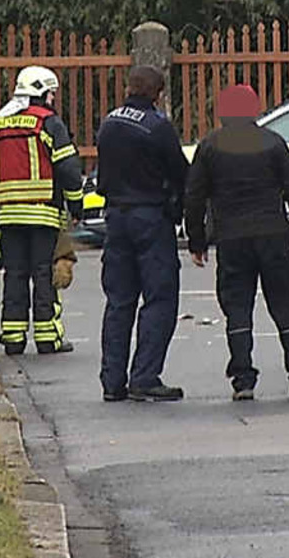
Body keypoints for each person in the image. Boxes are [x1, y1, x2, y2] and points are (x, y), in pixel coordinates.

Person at [184, 83, 289, 401]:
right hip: (273, 235)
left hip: (231, 239)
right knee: (285, 305)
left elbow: (194, 197)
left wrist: (197, 241)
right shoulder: (272, 143)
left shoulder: (209, 147)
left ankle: (242, 379)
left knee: (237, 308)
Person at [97, 65, 189, 402]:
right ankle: (145, 377)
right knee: (159, 298)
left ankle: (112, 381)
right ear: (157, 93)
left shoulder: (109, 123)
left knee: (119, 301)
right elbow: (179, 173)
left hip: (116, 218)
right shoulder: (157, 127)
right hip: (150, 218)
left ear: (128, 88)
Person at [0, 65, 84, 355]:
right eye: (51, 93)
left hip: (7, 216)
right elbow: (68, 167)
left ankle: (13, 338)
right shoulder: (48, 123)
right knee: (44, 274)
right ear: (42, 92)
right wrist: (75, 204)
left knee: (14, 274)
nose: (53, 99)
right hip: (42, 214)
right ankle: (47, 338)